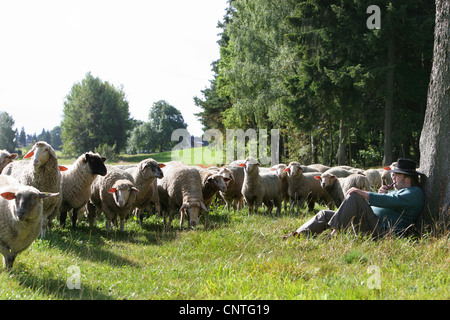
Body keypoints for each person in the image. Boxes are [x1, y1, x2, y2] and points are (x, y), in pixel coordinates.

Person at [282, 158, 424, 239]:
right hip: (370, 223)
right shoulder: (400, 191)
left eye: (396, 174)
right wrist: (382, 194)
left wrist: (365, 193)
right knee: (324, 214)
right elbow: (390, 201)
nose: (392, 177)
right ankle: (297, 236)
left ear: (408, 178)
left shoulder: (414, 193)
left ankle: (335, 233)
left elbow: (393, 202)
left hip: (383, 231)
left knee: (355, 196)